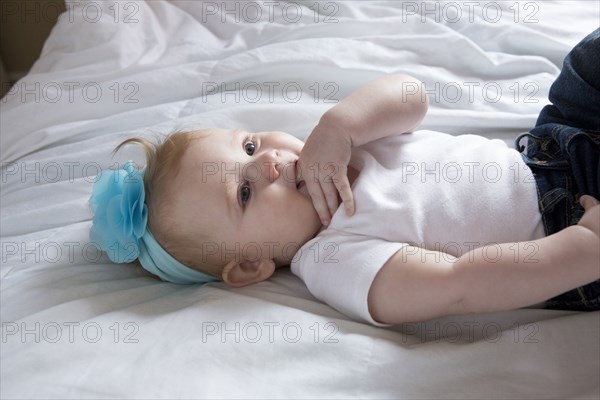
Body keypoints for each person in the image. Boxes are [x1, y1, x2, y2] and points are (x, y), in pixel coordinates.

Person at [89, 29, 600, 325]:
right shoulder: (334, 260)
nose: (267, 160)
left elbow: (411, 95)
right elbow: (459, 286)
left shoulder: (335, 145)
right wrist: (583, 249)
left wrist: (342, 123)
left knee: (586, 61)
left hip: (552, 145)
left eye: (249, 145)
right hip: (565, 222)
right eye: (244, 191)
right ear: (249, 265)